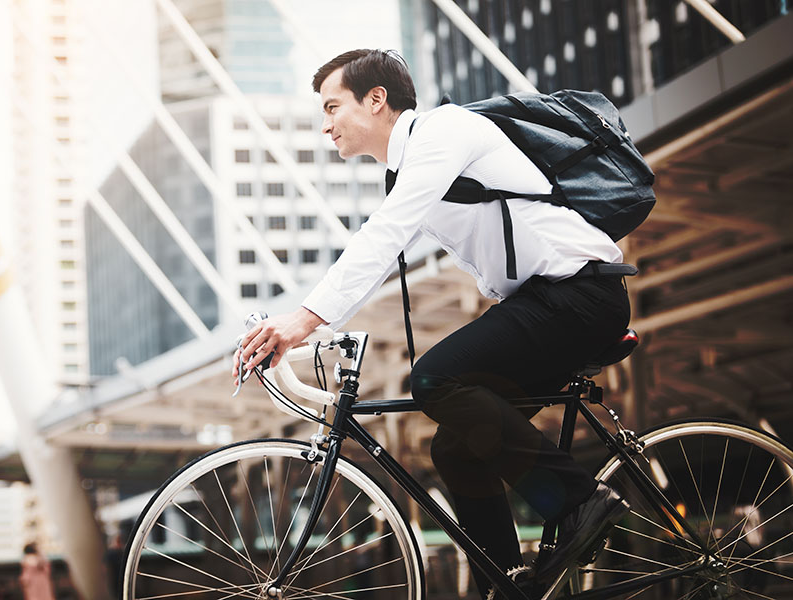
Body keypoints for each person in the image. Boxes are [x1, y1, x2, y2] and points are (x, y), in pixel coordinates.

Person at [235, 49, 631, 599]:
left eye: (332, 107)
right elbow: (380, 258)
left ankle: (580, 499)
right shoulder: (406, 166)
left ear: (377, 100)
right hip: (548, 303)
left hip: (580, 294)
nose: (325, 124)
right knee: (454, 448)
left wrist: (303, 320)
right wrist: (318, 332)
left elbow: (384, 234)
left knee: (432, 379)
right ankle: (508, 582)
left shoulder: (444, 132)